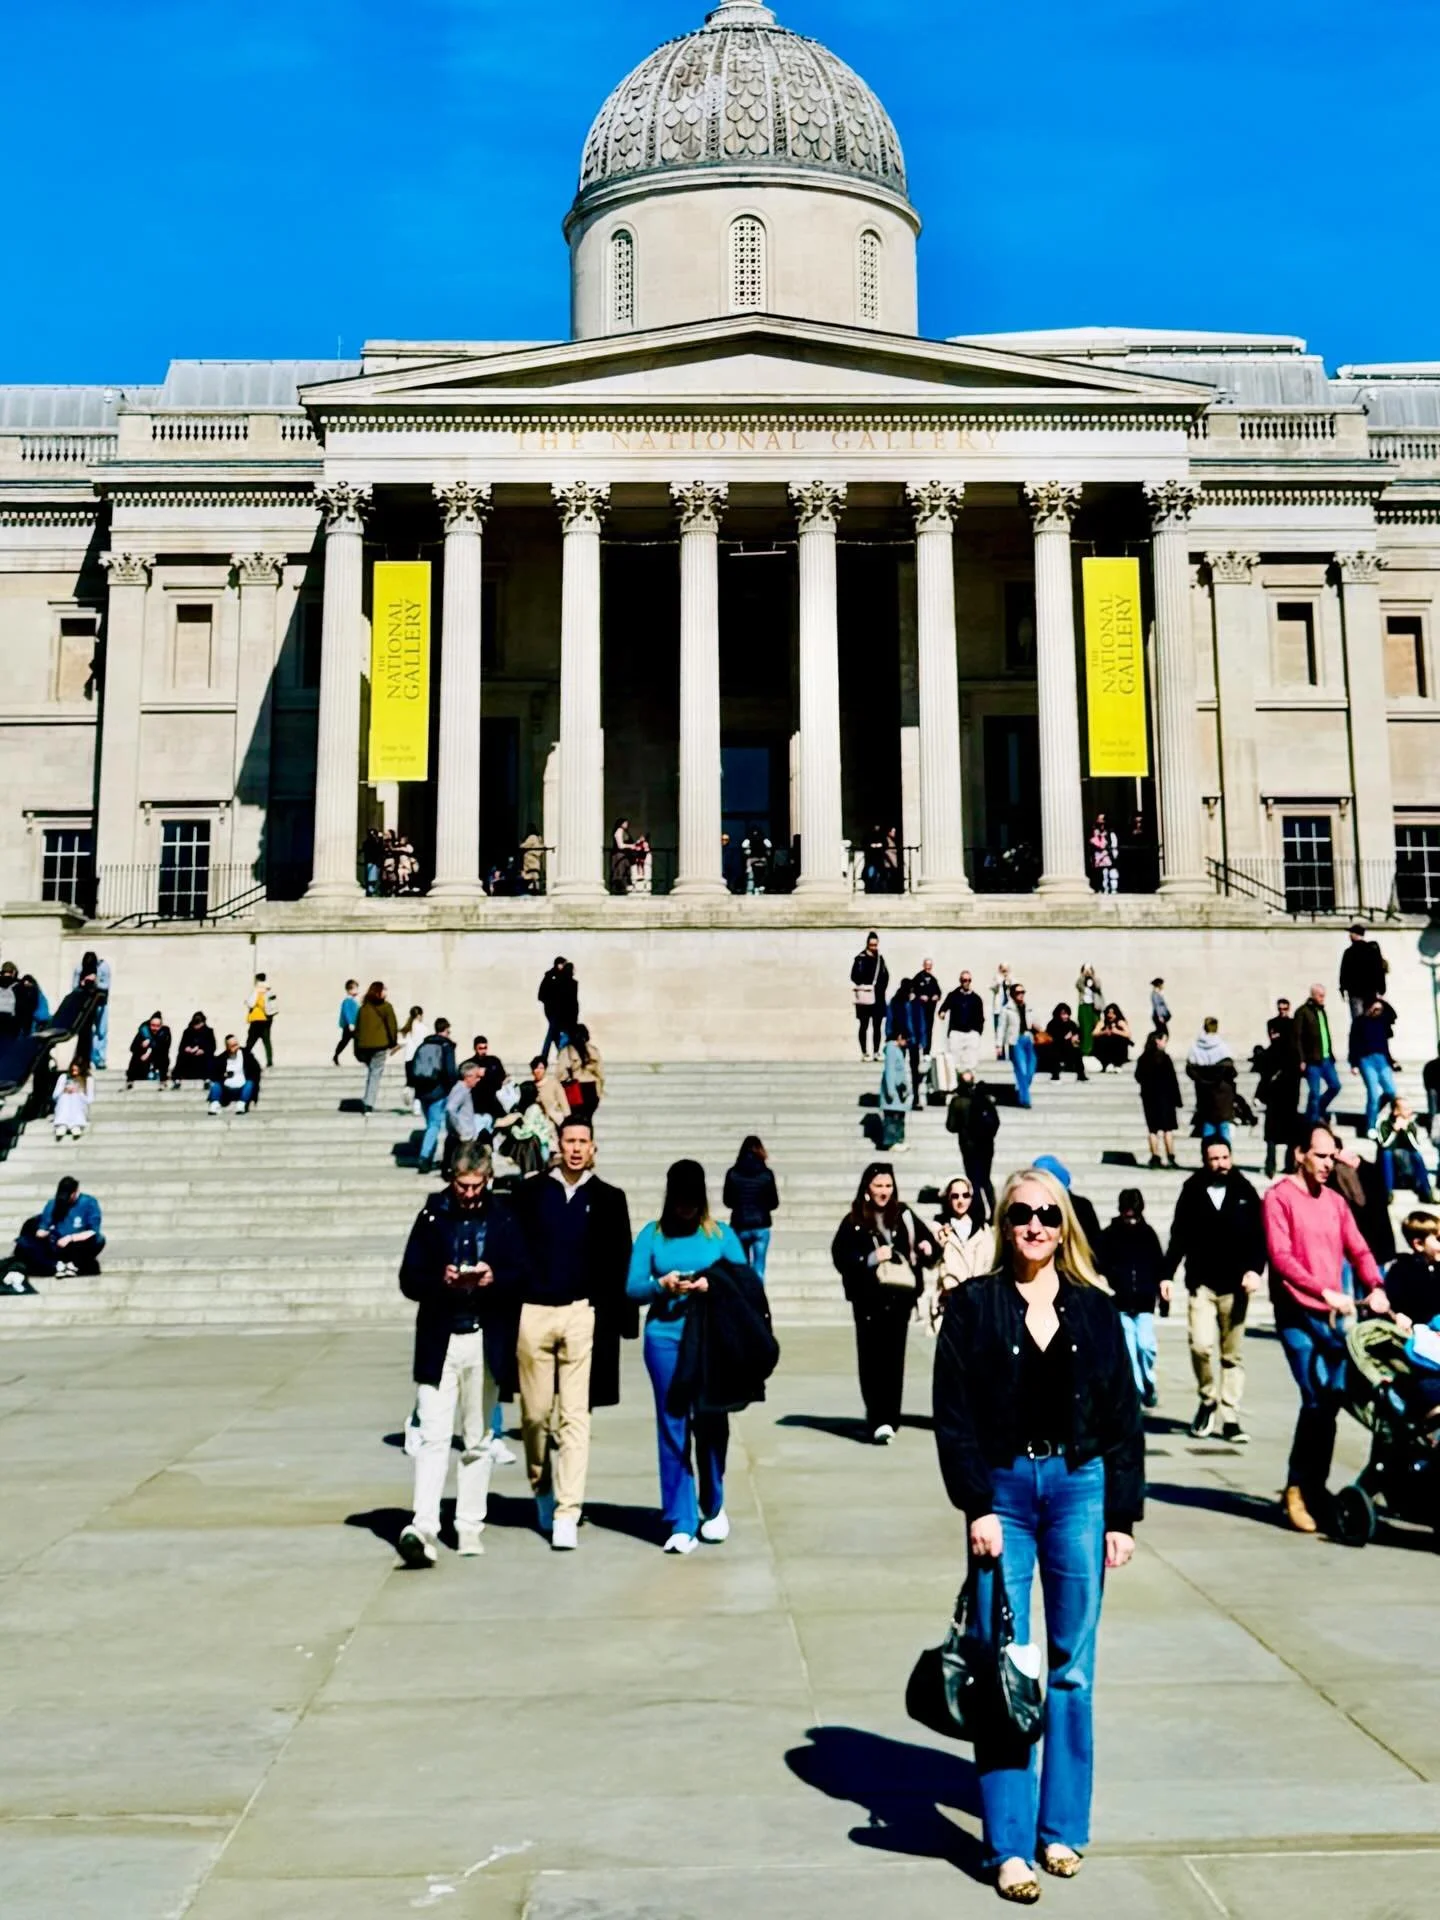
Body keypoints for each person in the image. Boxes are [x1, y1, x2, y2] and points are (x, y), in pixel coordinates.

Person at [933, 1165, 1142, 1900]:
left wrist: (1121, 1515)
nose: (1034, 1227)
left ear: (1065, 1227)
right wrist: (976, 1504)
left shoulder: (1095, 1311)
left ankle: (1061, 1832)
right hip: (1006, 1496)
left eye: (1048, 1216)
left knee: (1072, 1668)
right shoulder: (974, 1307)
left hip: (1080, 1490)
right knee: (1004, 1667)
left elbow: (1123, 1417)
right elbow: (952, 1415)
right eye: (1021, 1213)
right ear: (1003, 1221)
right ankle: (1009, 1847)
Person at [395, 1144, 530, 1566]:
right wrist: (442, 1279)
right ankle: (424, 1524)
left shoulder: (505, 1216)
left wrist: (495, 1277)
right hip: (441, 1339)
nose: (469, 1193)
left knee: (477, 1438)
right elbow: (409, 1278)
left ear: (487, 1180)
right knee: (433, 1435)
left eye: (476, 1185)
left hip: (483, 1338)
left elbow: (524, 1272)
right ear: (451, 1179)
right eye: (462, 1184)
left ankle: (469, 1523)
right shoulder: (433, 1216)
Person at [511, 1115, 636, 1549]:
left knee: (575, 1418)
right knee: (535, 1416)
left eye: (584, 1141)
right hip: (534, 1312)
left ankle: (568, 1509)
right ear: (558, 1145)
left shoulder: (609, 1198)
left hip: (582, 1313)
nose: (577, 1148)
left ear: (594, 1148)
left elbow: (622, 1258)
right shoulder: (527, 1194)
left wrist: (622, 1323)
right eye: (570, 1141)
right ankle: (541, 1487)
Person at [1264, 1123, 1383, 1534]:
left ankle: (1312, 1485)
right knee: (1315, 1396)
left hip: (1331, 1315)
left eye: (1333, 1156)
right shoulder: (1278, 1198)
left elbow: (1359, 1247)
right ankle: (1298, 1488)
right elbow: (1281, 1259)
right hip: (1297, 1313)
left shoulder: (1334, 1201)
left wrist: (1376, 1286)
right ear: (1299, 1154)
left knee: (1332, 1399)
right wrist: (1324, 1291)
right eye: (1320, 1155)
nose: (1328, 1164)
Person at [627, 1159, 746, 1551]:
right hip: (665, 1338)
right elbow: (631, 1288)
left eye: (693, 1201)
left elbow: (746, 1283)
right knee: (672, 1422)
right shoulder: (652, 1235)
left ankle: (713, 1503)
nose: (686, 1209)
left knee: (712, 1421)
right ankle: (680, 1517)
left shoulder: (721, 1235)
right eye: (680, 1201)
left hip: (710, 1339)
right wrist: (662, 1285)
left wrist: (713, 1284)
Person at [1166, 1138, 1266, 1441]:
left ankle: (1230, 1415)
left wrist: (1254, 1270)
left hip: (1235, 1286)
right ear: (1204, 1160)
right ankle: (1208, 1398)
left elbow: (1260, 1236)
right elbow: (1179, 1234)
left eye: (1225, 1157)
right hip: (1202, 1283)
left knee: (1232, 1355)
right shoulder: (1192, 1189)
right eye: (1214, 1158)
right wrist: (1166, 1275)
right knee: (1200, 1345)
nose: (1220, 1163)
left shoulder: (1245, 1190)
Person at [831, 1162, 938, 1443]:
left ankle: (891, 1417)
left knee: (894, 1360)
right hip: (868, 1301)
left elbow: (929, 1246)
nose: (884, 1191)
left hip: (899, 1298)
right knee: (871, 1360)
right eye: (878, 1186)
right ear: (867, 1187)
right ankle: (877, 1416)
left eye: (888, 1186)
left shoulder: (904, 1215)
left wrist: (928, 1249)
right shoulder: (854, 1220)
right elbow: (841, 1256)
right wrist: (869, 1259)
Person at [1095, 1190, 1167, 1408]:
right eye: (1127, 1215)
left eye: (1134, 1215)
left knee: (1145, 1345)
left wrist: (1163, 1298)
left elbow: (1159, 1266)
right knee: (1128, 1348)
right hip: (1120, 1302)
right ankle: (1136, 1391)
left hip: (1144, 1301)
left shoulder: (1148, 1234)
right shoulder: (1109, 1235)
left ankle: (1148, 1380)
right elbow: (1098, 1263)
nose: (1131, 1219)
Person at [927, 1174, 992, 1331]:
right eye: (955, 1196)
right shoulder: (937, 1227)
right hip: (950, 1301)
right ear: (948, 1198)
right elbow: (930, 1264)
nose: (960, 1201)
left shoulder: (983, 1229)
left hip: (978, 1301)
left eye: (965, 1195)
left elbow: (989, 1263)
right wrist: (939, 1245)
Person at [12, 1176, 105, 1281]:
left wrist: (71, 1238)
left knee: (99, 1239)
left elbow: (93, 1231)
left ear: (75, 1192)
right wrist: (42, 1232)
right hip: (56, 1243)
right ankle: (56, 1265)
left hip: (78, 1244)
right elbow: (43, 1227)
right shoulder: (53, 1204)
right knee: (26, 1243)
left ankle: (74, 1264)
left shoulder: (89, 1203)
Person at [723, 1135, 779, 1280]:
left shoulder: (733, 1173)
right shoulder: (766, 1174)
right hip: (761, 1224)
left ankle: (745, 1297)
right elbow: (774, 1203)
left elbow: (727, 1201)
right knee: (759, 1267)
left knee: (742, 1266)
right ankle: (757, 1298)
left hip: (740, 1224)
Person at [946, 1072, 999, 1220]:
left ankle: (978, 1212)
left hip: (968, 1147)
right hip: (987, 1146)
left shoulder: (957, 1102)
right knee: (986, 1180)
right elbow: (995, 1122)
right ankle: (994, 1210)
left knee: (973, 1181)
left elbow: (950, 1126)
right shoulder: (984, 1099)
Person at [1256, 1005, 1302, 1179]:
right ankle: (1279, 1164)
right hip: (1280, 1097)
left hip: (1282, 1097)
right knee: (1279, 1134)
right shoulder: (1282, 1053)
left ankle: (1277, 1164)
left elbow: (1266, 1076)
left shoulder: (1282, 1053)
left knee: (1278, 1134)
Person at [411, 1017, 459, 1175]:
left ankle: (428, 1157)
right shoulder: (445, 1046)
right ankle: (424, 1158)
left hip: (422, 1090)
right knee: (434, 1125)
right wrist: (453, 1088)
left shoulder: (424, 1045)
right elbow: (450, 1071)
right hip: (438, 1091)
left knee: (430, 1124)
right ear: (445, 1030)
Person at [1348, 991, 1398, 1136]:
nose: (1378, 1012)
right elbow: (1353, 1043)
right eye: (1375, 1009)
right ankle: (1370, 1125)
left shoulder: (1382, 1021)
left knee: (1390, 1092)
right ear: (1368, 1008)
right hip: (1366, 1059)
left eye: (1380, 1010)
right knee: (1373, 1094)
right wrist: (1354, 1063)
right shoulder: (1359, 1022)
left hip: (1382, 1059)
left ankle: (1375, 1112)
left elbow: (1393, 1015)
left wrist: (1382, 1001)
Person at [1134, 1029, 1181, 1169]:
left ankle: (1155, 1156)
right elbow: (1173, 1080)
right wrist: (1177, 1099)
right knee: (1168, 1129)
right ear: (1157, 1040)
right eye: (1164, 1040)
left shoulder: (1143, 1059)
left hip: (1149, 1098)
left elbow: (1138, 1076)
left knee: (1153, 1130)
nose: (1165, 1044)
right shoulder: (1165, 1058)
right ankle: (1170, 1156)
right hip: (1166, 1098)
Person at [1186, 1018, 1237, 1145]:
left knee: (1208, 1124)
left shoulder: (1195, 1047)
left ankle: (1207, 1154)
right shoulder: (1222, 1046)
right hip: (1222, 1094)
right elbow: (1231, 1071)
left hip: (1204, 1093)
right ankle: (1225, 1154)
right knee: (1224, 1125)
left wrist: (1202, 1078)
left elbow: (1190, 1069)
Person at [1296, 983, 1341, 1126]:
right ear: (1313, 995)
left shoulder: (1322, 1011)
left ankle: (1318, 1109)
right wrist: (1301, 1059)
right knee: (1314, 1092)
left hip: (1326, 1058)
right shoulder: (1303, 1012)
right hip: (1312, 1060)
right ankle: (1313, 1121)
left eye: (1324, 996)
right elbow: (1297, 1037)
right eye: (1320, 996)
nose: (1323, 999)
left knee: (1335, 1086)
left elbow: (1325, 1034)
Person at [1377, 1097, 1435, 1202]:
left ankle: (1427, 1192)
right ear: (1396, 1111)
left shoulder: (1411, 1125)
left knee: (1416, 1155)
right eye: (1406, 1109)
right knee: (1387, 1154)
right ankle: (1387, 1193)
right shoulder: (1384, 1124)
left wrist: (1407, 1131)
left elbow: (1416, 1147)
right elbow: (1384, 1145)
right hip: (1389, 1163)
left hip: (1406, 1162)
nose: (1410, 1111)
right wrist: (1394, 1131)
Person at [355, 981, 399, 1114]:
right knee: (375, 1074)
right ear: (379, 992)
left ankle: (367, 1099)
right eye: (384, 989)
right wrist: (393, 1043)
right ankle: (368, 1104)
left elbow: (357, 1030)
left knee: (372, 1072)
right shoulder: (386, 1007)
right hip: (380, 1045)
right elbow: (392, 1026)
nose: (386, 992)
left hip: (364, 1047)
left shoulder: (363, 1009)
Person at [850, 931, 889, 1063]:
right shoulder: (860, 959)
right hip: (864, 997)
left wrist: (880, 988)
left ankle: (877, 1051)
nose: (874, 947)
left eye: (875, 945)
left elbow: (885, 975)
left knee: (877, 1025)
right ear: (867, 944)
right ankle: (864, 1052)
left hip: (878, 997)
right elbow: (854, 976)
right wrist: (865, 983)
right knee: (864, 1024)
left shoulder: (880, 959)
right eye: (871, 945)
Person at [940, 969, 987, 1077]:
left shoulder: (976, 998)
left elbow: (981, 1017)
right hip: (956, 1032)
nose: (966, 982)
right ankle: (956, 1085)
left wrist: (978, 1032)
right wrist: (942, 1013)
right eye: (964, 980)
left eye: (968, 980)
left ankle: (970, 1086)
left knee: (971, 1062)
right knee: (954, 1062)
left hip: (971, 1033)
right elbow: (943, 1008)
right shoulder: (953, 995)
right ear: (960, 981)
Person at [556, 1024, 604, 1129]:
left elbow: (560, 1074)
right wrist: (600, 1091)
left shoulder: (567, 1051)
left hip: (576, 1088)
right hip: (592, 1088)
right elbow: (600, 1073)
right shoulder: (594, 1051)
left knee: (576, 1121)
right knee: (588, 1119)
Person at [1340, 922, 1388, 1021]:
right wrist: (1381, 990)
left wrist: (1343, 988)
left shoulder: (1349, 952)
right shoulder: (1372, 950)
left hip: (1355, 993)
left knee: (1358, 1021)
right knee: (1371, 1020)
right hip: (1370, 993)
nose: (1349, 935)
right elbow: (1379, 971)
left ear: (1355, 934)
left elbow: (1344, 973)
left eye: (1351, 933)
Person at [71, 951, 111, 1070]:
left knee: (101, 1031)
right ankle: (85, 1059)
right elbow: (74, 988)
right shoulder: (79, 969)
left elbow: (106, 985)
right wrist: (82, 983)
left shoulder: (103, 967)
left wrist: (96, 981)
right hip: (86, 1003)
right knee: (86, 1033)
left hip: (100, 1003)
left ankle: (100, 1059)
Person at [877, 1022, 912, 1152]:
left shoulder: (897, 1050)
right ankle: (891, 1142)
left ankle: (898, 1140)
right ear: (899, 1036)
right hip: (893, 1093)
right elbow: (890, 1071)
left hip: (899, 1092)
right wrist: (891, 1091)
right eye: (905, 1038)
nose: (907, 1042)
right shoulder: (892, 1050)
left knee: (898, 1117)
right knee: (892, 1118)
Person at [1001, 984, 1037, 1108]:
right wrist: (998, 1045)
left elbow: (1034, 1022)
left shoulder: (1028, 1007)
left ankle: (1022, 1089)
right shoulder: (1007, 1009)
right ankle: (1025, 1100)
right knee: (1021, 1069)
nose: (1021, 994)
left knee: (1031, 1069)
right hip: (1015, 1041)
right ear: (1012, 994)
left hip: (1028, 1039)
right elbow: (1001, 1027)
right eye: (1018, 992)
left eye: (1023, 992)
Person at [538, 957, 579, 1064]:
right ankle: (545, 1058)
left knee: (555, 1035)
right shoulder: (551, 977)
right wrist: (551, 1004)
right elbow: (541, 995)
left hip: (561, 1014)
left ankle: (559, 1057)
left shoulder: (563, 980)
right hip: (554, 1013)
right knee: (552, 1035)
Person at [208, 1033, 261, 1113]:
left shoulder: (246, 1055)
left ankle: (241, 1104)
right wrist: (224, 1075)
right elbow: (214, 1073)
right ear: (227, 1047)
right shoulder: (222, 1058)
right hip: (226, 1088)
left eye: (236, 1044)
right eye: (232, 1046)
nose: (236, 1047)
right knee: (215, 1084)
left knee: (250, 1083)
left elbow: (256, 1069)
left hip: (242, 1086)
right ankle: (215, 1104)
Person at [126, 1012, 172, 1089]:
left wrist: (149, 1050)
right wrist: (141, 1045)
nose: (155, 1028)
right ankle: (130, 1080)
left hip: (158, 1056)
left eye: (157, 1026)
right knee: (135, 1056)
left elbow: (165, 1047)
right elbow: (132, 1048)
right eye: (153, 1025)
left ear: (161, 1026)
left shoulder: (165, 1032)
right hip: (144, 1059)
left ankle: (163, 1080)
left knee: (164, 1058)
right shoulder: (143, 1031)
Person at [1044, 1003, 1086, 1082]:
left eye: (1067, 1014)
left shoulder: (1072, 1024)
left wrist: (1076, 1038)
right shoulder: (1052, 1024)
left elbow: (1078, 1034)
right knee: (1054, 1051)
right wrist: (1065, 1038)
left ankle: (1081, 1074)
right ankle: (1055, 1075)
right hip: (1056, 1049)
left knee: (1077, 1051)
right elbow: (1052, 1039)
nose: (1066, 1016)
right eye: (1063, 1014)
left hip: (1068, 1049)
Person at [52, 1062, 91, 1142]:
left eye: (76, 1070)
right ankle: (62, 1124)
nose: (74, 1073)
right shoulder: (64, 1077)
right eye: (72, 1070)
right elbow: (55, 1096)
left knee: (75, 1097)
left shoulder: (86, 1080)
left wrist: (79, 1091)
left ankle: (76, 1125)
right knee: (65, 1097)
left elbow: (89, 1099)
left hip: (79, 1105)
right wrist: (64, 1090)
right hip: (64, 1104)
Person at [910, 959, 942, 1059]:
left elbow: (938, 991)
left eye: (930, 965)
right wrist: (920, 996)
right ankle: (917, 1050)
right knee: (919, 1029)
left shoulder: (933, 979)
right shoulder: (918, 977)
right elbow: (912, 991)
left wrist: (936, 996)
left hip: (930, 1010)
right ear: (923, 965)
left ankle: (926, 1051)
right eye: (927, 965)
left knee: (929, 1030)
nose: (928, 967)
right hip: (920, 1010)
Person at [174, 1012, 216, 1085]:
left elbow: (213, 1046)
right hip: (190, 1058)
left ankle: (207, 1079)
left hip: (202, 1058)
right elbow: (181, 1047)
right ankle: (177, 1078)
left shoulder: (208, 1031)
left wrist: (203, 1050)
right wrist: (186, 1048)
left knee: (210, 1058)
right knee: (181, 1056)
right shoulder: (187, 1031)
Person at [245, 972, 277, 1068]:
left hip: (257, 1019)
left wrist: (246, 1001)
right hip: (267, 1019)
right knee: (267, 1041)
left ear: (257, 979)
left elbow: (251, 1003)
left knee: (250, 1042)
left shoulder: (257, 989)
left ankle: (245, 1059)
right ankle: (269, 1060)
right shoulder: (269, 990)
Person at [1090, 1003, 1132, 1074]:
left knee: (1121, 1041)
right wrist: (1104, 1032)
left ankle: (1118, 1065)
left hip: (1118, 1047)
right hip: (1106, 1047)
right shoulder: (1103, 1022)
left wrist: (1116, 1031)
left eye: (1112, 1013)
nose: (1110, 1015)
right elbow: (1094, 1033)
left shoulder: (1120, 1022)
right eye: (1109, 1013)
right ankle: (1107, 1064)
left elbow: (1128, 1034)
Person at [1074, 966, 1103, 1057]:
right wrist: (1083, 976)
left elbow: (1098, 986)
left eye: (1089, 969)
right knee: (1085, 1028)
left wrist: (1092, 977)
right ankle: (1085, 1050)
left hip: (1094, 1007)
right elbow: (1078, 985)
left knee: (1094, 1027)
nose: (1087, 972)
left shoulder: (1095, 980)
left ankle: (1094, 1050)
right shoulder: (1081, 981)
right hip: (1084, 1006)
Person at [1088, 812, 1119, 893]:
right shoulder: (1095, 834)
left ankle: (1112, 891)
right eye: (1099, 820)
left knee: (1111, 875)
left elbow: (1113, 847)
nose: (1101, 823)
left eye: (1102, 820)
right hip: (1097, 859)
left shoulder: (1111, 834)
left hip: (1108, 859)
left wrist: (1108, 854)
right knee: (1101, 876)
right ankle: (1102, 889)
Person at [333, 980, 360, 1065]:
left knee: (357, 1041)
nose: (357, 990)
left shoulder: (354, 1001)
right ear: (349, 990)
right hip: (350, 1026)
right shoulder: (347, 1001)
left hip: (355, 1026)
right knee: (344, 1041)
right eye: (355, 988)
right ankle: (336, 1056)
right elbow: (347, 1013)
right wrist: (350, 1023)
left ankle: (359, 1056)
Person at [991, 964, 1014, 1059]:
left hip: (1010, 1009)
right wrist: (1000, 981)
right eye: (1002, 970)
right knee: (999, 1033)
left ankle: (1013, 1055)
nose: (1004, 972)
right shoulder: (996, 979)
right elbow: (993, 988)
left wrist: (1009, 981)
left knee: (1011, 1032)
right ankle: (1001, 1055)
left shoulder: (1012, 979)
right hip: (999, 1010)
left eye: (1006, 970)